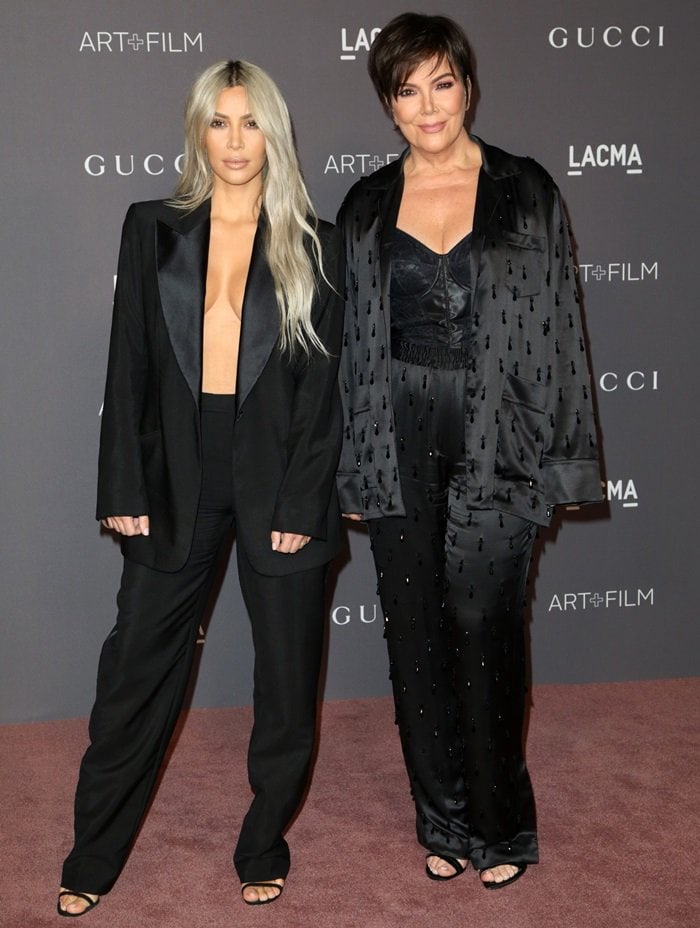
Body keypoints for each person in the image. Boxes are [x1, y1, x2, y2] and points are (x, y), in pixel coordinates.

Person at [57, 59, 343, 916]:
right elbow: (129, 365)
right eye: (219, 122)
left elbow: (326, 393)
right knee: (133, 675)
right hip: (175, 478)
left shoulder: (314, 243)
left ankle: (264, 841)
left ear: (275, 132)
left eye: (251, 122)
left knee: (288, 689)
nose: (235, 141)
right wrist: (123, 483)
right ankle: (93, 852)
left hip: (281, 481)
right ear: (197, 131)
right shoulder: (152, 229)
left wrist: (302, 503)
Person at [336, 13, 602, 889]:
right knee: (415, 634)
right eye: (407, 91)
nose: (428, 106)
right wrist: (351, 460)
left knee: (487, 629)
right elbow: (347, 343)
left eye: (441, 83)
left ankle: (503, 827)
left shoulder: (524, 187)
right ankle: (443, 819)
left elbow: (562, 325)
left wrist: (563, 463)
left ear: (467, 85)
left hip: (501, 432)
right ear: (388, 103)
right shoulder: (368, 202)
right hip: (397, 428)